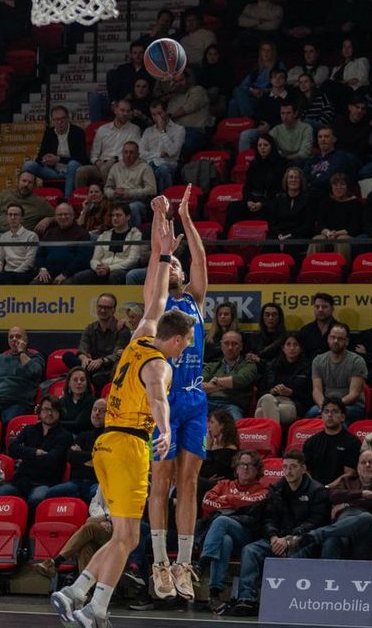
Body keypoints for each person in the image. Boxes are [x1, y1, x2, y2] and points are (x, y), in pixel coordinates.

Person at [51, 202, 193, 628]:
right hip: (131, 445)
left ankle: (83, 598)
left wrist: (162, 251)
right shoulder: (159, 364)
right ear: (176, 339)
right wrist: (165, 431)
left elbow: (156, 295)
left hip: (106, 443)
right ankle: (87, 602)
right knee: (128, 536)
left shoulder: (140, 338)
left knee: (121, 536)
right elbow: (158, 398)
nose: (186, 348)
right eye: (186, 342)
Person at [147, 187, 211, 604]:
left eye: (177, 264)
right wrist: (160, 219)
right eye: (168, 264)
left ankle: (183, 564)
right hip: (164, 401)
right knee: (161, 482)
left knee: (188, 483)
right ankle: (158, 562)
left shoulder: (195, 301)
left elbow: (201, 260)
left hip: (194, 400)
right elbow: (157, 255)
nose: (172, 267)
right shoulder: (156, 303)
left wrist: (186, 219)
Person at [225, 449, 329, 616]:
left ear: (303, 469)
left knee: (297, 554)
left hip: (304, 539)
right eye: (285, 467)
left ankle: (291, 601)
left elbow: (317, 521)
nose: (288, 471)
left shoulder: (317, 491)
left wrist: (290, 539)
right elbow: (269, 519)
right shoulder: (276, 489)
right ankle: (246, 599)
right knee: (250, 550)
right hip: (278, 539)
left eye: (293, 466)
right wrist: (273, 536)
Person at [196, 450, 271, 611]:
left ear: (257, 469)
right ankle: (214, 594)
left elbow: (254, 501)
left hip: (247, 535)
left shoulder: (263, 489)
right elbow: (206, 502)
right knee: (225, 541)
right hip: (221, 537)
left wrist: (227, 499)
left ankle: (201, 564)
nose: (245, 468)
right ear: (236, 468)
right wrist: (238, 502)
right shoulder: (224, 484)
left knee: (222, 520)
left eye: (250, 465)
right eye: (242, 464)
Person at [0, 395, 74, 509]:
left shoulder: (65, 436)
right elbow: (12, 449)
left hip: (45, 482)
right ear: (39, 411)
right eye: (46, 409)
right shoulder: (29, 429)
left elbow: (51, 460)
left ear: (60, 413)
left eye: (54, 410)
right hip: (21, 481)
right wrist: (35, 452)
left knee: (36, 500)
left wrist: (25, 455)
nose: (49, 413)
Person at [0, 326, 45, 426]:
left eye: (18, 336)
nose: (14, 339)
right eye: (11, 337)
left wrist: (21, 352)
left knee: (9, 422)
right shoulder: (1, 358)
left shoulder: (35, 357)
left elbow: (35, 372)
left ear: (25, 340)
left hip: (19, 402)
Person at [48, 396, 106, 500]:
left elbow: (103, 460)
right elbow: (70, 456)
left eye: (102, 411)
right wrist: (92, 457)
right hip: (76, 483)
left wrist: (81, 454)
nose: (97, 413)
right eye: (94, 409)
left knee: (98, 494)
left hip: (97, 483)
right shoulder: (83, 435)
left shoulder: (109, 437)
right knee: (51, 493)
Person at [70, 207, 144, 286]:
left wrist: (109, 268)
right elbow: (95, 259)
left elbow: (132, 260)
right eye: (113, 215)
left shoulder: (136, 235)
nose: (114, 218)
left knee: (115, 275)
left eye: (118, 215)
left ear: (128, 217)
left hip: (122, 269)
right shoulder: (104, 235)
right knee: (80, 276)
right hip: (102, 268)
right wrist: (98, 268)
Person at [308, 323, 367, 420]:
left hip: (352, 405)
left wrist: (333, 408)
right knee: (311, 413)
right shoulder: (318, 361)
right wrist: (324, 407)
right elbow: (317, 390)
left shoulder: (357, 361)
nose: (335, 341)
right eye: (333, 337)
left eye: (340, 339)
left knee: (336, 418)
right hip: (326, 404)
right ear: (328, 339)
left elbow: (354, 394)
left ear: (346, 341)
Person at [302, 396, 362, 488]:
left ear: (342, 417)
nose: (330, 415)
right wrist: (314, 489)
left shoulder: (353, 442)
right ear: (321, 416)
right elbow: (306, 471)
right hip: (314, 490)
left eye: (335, 411)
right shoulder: (311, 442)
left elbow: (349, 474)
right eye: (326, 411)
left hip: (340, 490)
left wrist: (326, 488)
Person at [255, 332, 311, 427]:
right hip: (273, 399)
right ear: (283, 348)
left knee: (260, 412)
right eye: (288, 344)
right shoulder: (272, 366)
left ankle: (270, 433)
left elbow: (309, 398)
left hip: (293, 404)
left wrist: (291, 393)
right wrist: (272, 391)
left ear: (301, 348)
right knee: (267, 398)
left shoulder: (307, 368)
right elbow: (259, 393)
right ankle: (275, 433)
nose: (292, 348)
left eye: (295, 345)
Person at [76, 293, 130, 390]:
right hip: (91, 365)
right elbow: (82, 348)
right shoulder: (90, 328)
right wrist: (84, 358)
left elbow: (117, 354)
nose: (102, 310)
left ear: (113, 310)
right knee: (68, 357)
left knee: (98, 377)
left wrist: (101, 361)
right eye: (100, 306)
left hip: (109, 367)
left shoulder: (122, 330)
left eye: (107, 308)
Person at [202, 331, 259, 421]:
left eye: (234, 344)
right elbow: (199, 386)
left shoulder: (249, 365)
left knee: (236, 424)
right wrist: (226, 384)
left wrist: (215, 381)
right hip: (209, 402)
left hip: (233, 404)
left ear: (241, 346)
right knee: (188, 415)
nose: (230, 347)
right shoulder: (211, 366)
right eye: (226, 343)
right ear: (221, 345)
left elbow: (239, 380)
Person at [33, 203, 92, 286]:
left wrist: (65, 274)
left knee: (65, 286)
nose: (63, 217)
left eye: (66, 214)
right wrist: (42, 269)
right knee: (35, 285)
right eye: (60, 215)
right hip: (47, 274)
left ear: (73, 216)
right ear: (56, 217)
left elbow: (83, 259)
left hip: (71, 275)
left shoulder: (82, 233)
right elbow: (40, 254)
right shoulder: (50, 233)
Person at [0, 170, 57, 234]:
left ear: (34, 185)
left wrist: (49, 220)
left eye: (30, 182)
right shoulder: (5, 194)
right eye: (24, 181)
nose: (26, 184)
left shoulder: (40, 202)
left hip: (19, 239)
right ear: (18, 181)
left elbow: (58, 217)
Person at [0, 204, 40, 284]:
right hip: (7, 272)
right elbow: (0, 257)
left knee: (5, 280)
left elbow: (30, 261)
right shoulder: (4, 236)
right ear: (7, 218)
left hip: (24, 272)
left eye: (16, 215)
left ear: (22, 219)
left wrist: (14, 273)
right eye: (10, 215)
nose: (12, 217)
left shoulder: (31, 236)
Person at [197, 410, 240, 502]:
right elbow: (200, 471)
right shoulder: (210, 444)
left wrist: (208, 449)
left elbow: (211, 473)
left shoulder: (230, 450)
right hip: (205, 485)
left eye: (212, 422)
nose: (208, 426)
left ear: (222, 426)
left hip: (220, 489)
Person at [244, 302, 288, 368]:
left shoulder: (286, 339)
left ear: (279, 317)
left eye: (274, 315)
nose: (270, 318)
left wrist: (259, 360)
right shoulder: (254, 338)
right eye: (267, 315)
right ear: (262, 317)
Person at [298, 292, 338, 361]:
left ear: (332, 309)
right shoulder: (305, 330)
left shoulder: (341, 330)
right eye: (317, 307)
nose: (320, 310)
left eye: (324, 307)